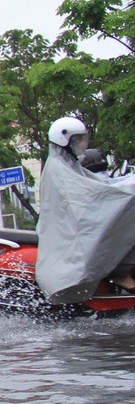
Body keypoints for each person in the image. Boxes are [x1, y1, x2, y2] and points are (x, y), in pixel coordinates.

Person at [37, 117, 135, 301]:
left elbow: (99, 183)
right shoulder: (58, 168)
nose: (81, 144)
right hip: (74, 226)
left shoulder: (68, 163)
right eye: (77, 140)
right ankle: (121, 274)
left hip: (80, 219)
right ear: (63, 139)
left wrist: (127, 182)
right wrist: (126, 190)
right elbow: (88, 195)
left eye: (82, 139)